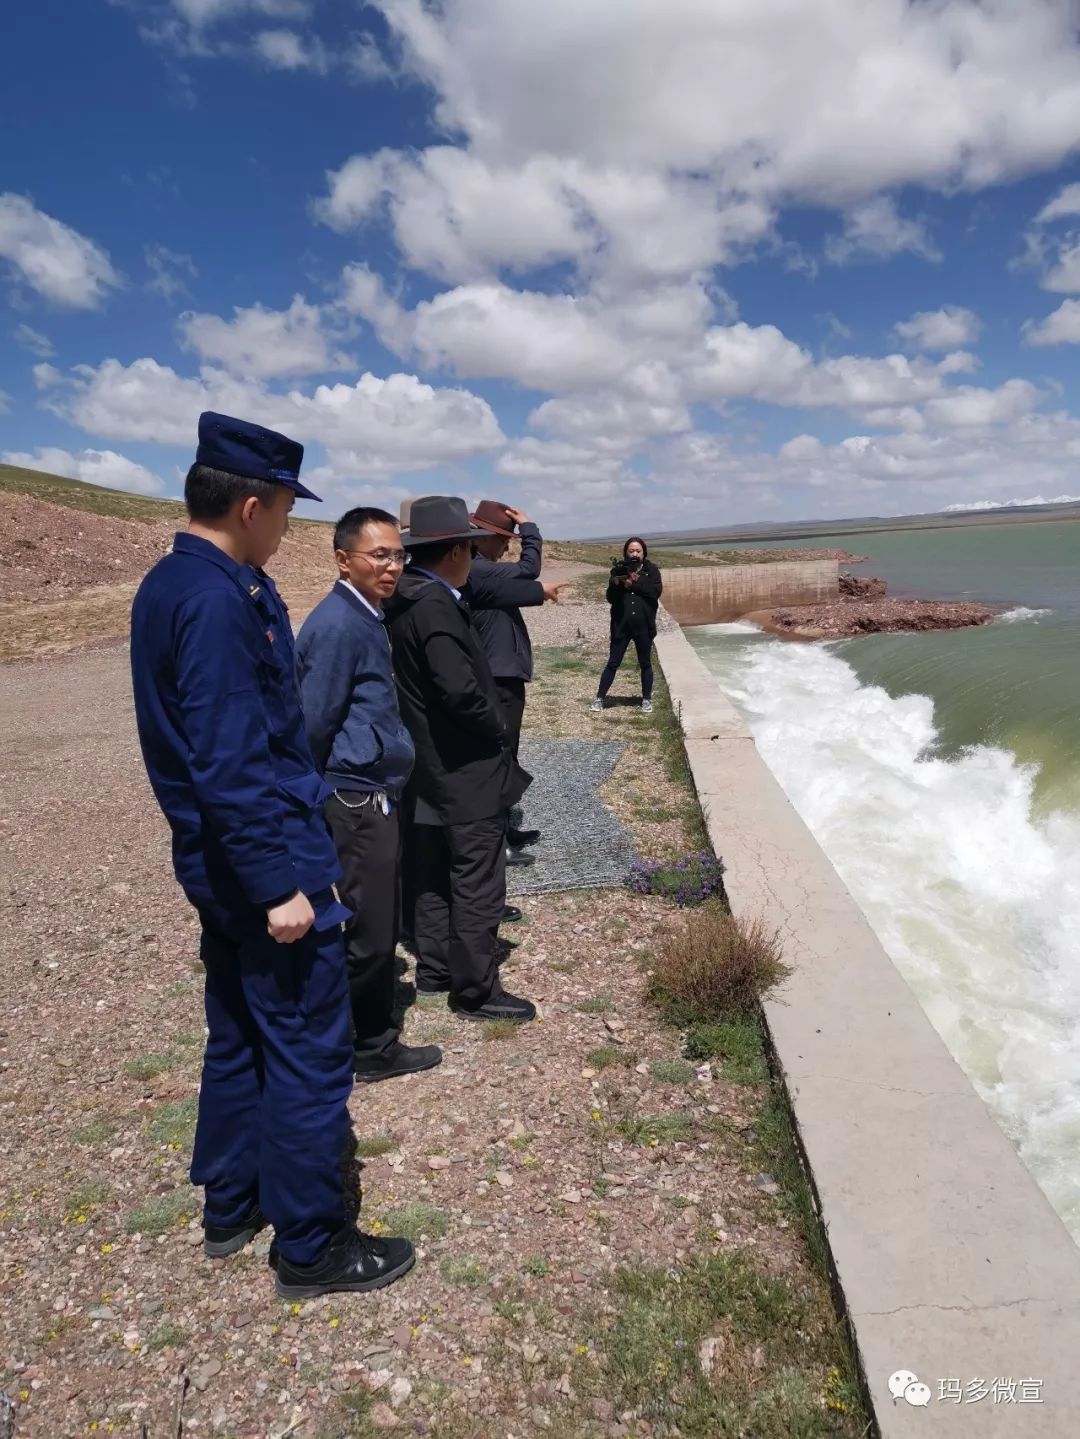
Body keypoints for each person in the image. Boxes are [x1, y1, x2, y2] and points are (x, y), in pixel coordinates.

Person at [129, 412, 413, 1300]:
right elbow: (229, 761)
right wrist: (280, 885)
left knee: (241, 1031)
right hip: (268, 869)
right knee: (306, 1051)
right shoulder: (213, 600)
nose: (290, 524)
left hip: (229, 866)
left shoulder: (192, 583)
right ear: (251, 503)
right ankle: (311, 1245)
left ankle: (232, 1201)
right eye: (287, 507)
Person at [296, 507, 442, 1085]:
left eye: (398, 555)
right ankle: (371, 1047)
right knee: (371, 927)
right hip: (355, 800)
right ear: (343, 559)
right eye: (378, 555)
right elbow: (312, 724)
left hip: (373, 792)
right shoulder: (337, 625)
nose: (392, 566)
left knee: (374, 921)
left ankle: (358, 1034)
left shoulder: (364, 615)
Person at [384, 496, 536, 1023]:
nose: (474, 557)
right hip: (463, 768)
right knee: (477, 876)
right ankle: (475, 991)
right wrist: (496, 729)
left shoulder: (402, 597)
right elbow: (460, 692)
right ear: (454, 552)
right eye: (470, 548)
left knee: (429, 867)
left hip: (423, 762)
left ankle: (435, 968)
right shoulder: (435, 606)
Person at [467, 500, 564, 866]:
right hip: (495, 680)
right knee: (499, 759)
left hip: (501, 677)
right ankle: (496, 844)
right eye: (504, 539)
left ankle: (505, 830)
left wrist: (541, 592)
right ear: (484, 537)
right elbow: (528, 570)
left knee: (506, 756)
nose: (507, 546)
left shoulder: (481, 571)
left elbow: (524, 588)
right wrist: (530, 528)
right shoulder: (479, 570)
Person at [591, 537, 663, 714]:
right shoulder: (617, 570)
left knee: (645, 663)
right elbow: (611, 598)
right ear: (625, 552)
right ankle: (599, 698)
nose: (635, 554)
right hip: (621, 626)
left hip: (644, 627)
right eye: (631, 551)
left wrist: (634, 582)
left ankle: (646, 699)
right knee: (613, 663)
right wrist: (618, 584)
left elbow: (654, 592)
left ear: (644, 552)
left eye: (638, 551)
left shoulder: (651, 571)